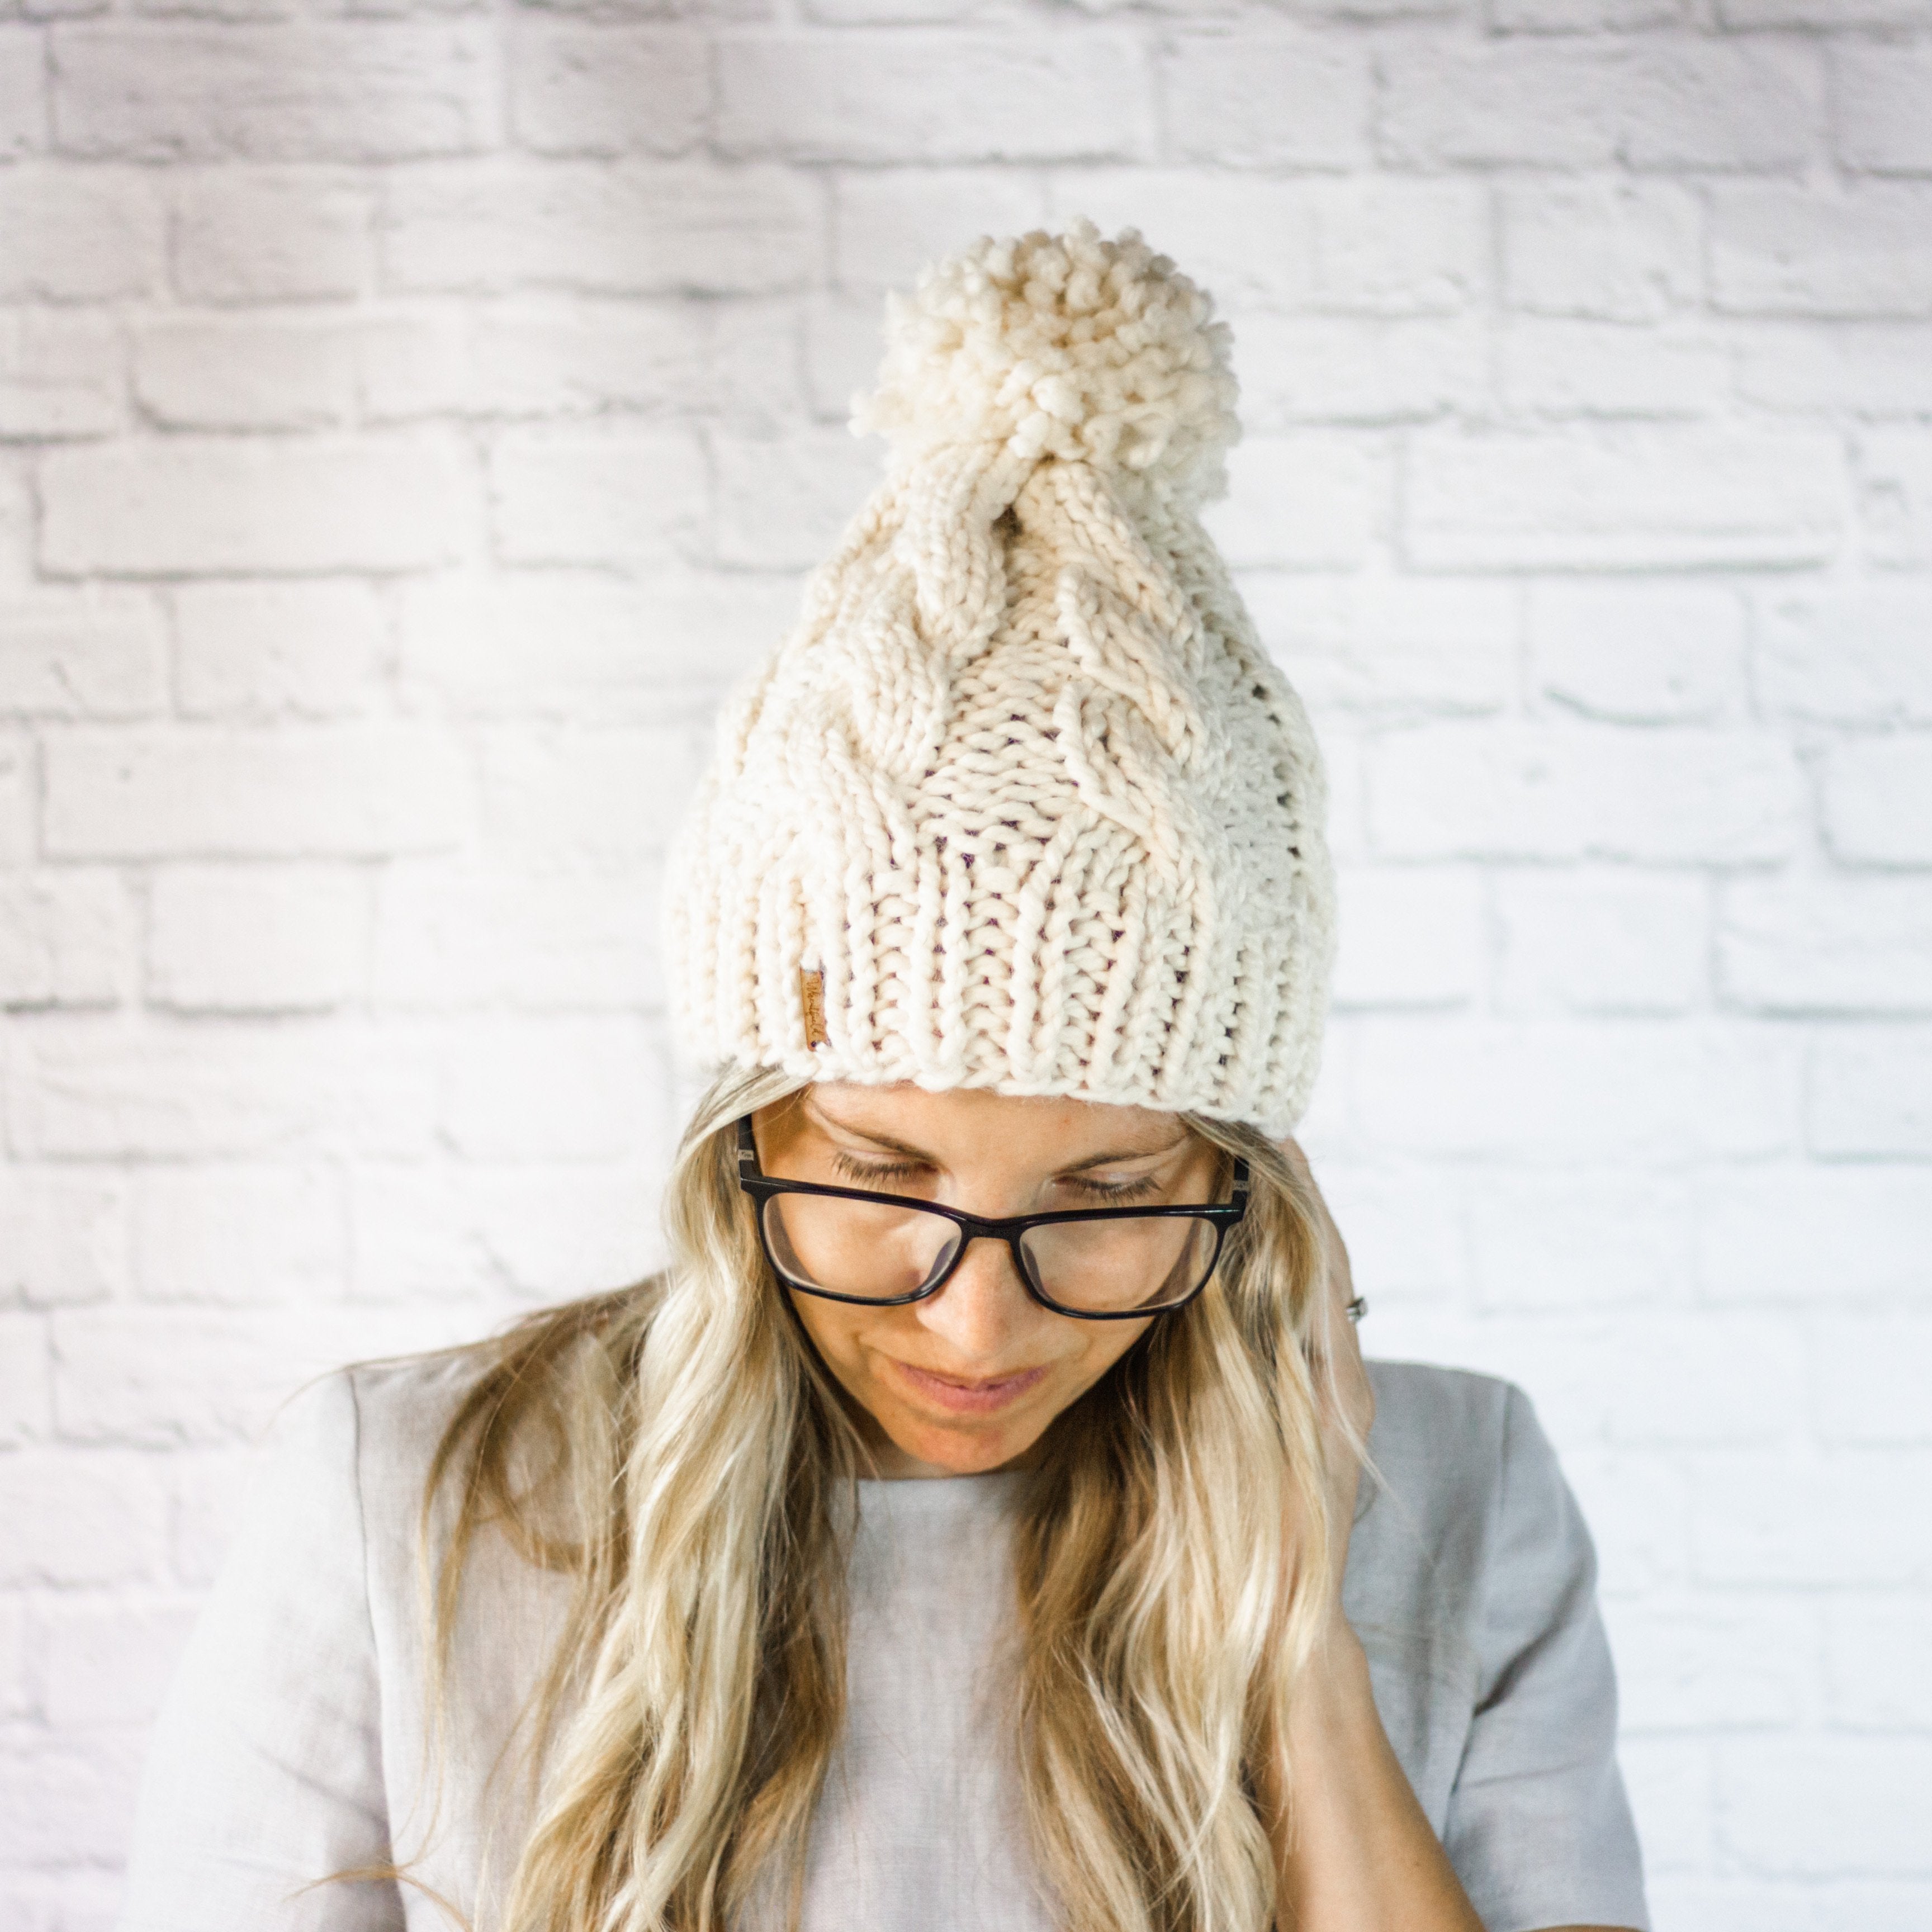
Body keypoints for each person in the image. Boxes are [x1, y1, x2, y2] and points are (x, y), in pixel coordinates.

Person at [116, 222, 1650, 1932]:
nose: (976, 1331)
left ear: (1244, 1184)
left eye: (1112, 1202)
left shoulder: (1456, 1494)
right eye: (878, 1179)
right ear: (742, 1140)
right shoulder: (416, 1497)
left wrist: (1295, 1634)